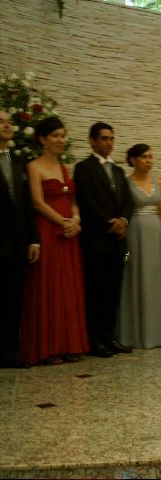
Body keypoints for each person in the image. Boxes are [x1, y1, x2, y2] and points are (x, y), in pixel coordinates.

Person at [20, 117, 89, 365]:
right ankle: (47, 348)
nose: (61, 140)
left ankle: (68, 345)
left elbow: (73, 201)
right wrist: (62, 222)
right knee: (48, 286)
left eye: (63, 135)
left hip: (69, 233)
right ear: (43, 139)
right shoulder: (34, 166)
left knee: (68, 287)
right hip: (48, 230)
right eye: (55, 136)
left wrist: (76, 219)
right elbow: (37, 203)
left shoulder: (64, 169)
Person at [74, 122, 134, 357]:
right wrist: (110, 222)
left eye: (111, 138)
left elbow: (128, 201)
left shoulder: (118, 171)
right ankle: (95, 339)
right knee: (96, 291)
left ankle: (110, 336)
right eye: (104, 138)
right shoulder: (83, 168)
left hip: (117, 240)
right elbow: (87, 202)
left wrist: (124, 221)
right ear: (92, 141)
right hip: (96, 238)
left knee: (112, 290)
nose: (109, 143)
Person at [116, 144, 161, 349]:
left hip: (155, 234)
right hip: (135, 234)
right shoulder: (126, 182)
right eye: (144, 157)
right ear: (133, 160)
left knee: (154, 279)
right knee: (136, 277)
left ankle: (157, 334)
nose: (149, 160)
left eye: (150, 156)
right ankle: (134, 334)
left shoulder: (157, 182)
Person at [0, 109, 39, 368]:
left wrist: (33, 239)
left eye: (8, 122)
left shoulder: (18, 160)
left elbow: (26, 204)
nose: (7, 126)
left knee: (14, 299)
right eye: (0, 122)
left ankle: (9, 352)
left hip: (17, 243)